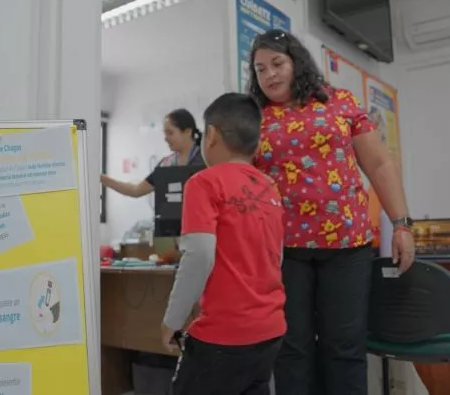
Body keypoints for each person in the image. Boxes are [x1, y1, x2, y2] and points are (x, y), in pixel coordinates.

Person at [247, 29, 415, 395]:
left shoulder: (339, 101)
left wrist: (402, 225)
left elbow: (379, 165)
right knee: (291, 349)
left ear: (296, 62)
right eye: (260, 69)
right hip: (284, 251)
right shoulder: (255, 118)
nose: (270, 75)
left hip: (347, 247)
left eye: (277, 63)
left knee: (344, 348)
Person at [161, 93, 286, 395]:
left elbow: (199, 257)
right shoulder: (270, 188)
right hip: (270, 330)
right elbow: (276, 257)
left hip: (222, 337)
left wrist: (172, 321)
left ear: (212, 134)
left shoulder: (204, 182)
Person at [100, 108, 204, 197]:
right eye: (165, 133)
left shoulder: (205, 160)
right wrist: (102, 179)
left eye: (170, 133)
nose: (165, 138)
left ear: (187, 131)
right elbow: (136, 191)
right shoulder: (165, 164)